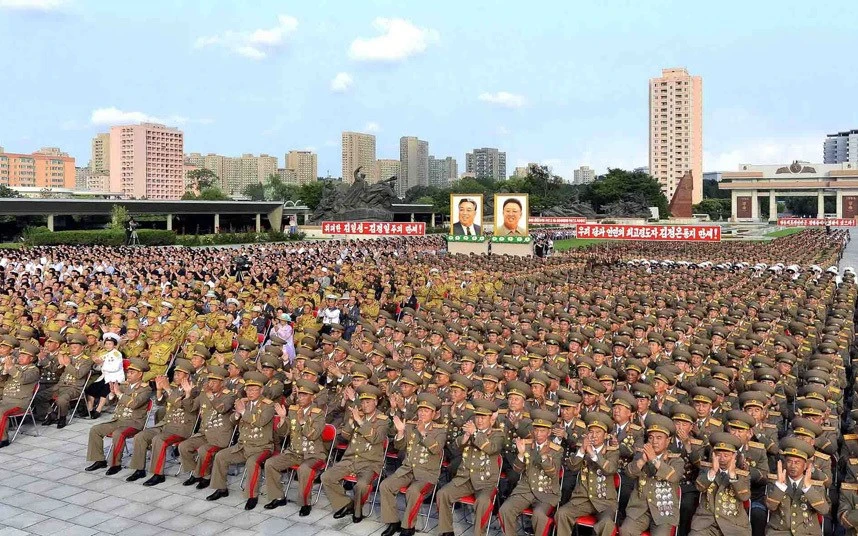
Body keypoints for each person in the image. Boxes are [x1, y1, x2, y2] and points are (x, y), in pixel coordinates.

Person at [206, 371, 275, 510]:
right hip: (243, 446)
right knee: (221, 456)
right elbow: (232, 421)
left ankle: (252, 496)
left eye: (254, 390)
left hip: (261, 447)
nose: (250, 393)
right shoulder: (244, 403)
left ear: (261, 390)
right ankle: (221, 488)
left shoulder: (268, 405)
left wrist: (243, 412)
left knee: (252, 463)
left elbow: (260, 422)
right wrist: (237, 413)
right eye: (248, 390)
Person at [379, 393, 447, 536]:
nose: (422, 413)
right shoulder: (411, 425)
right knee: (385, 485)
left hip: (427, 473)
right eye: (420, 410)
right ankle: (393, 521)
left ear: (434, 414)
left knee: (413, 491)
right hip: (408, 469)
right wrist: (400, 432)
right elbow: (399, 446)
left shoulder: (440, 430)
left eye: (426, 411)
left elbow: (436, 449)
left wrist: (423, 432)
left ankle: (408, 527)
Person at [435, 398, 503, 536]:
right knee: (442, 494)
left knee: (482, 502)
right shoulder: (470, 431)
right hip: (465, 478)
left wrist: (475, 434)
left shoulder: (498, 434)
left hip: (485, 481)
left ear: (491, 419)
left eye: (483, 417)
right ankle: (446, 531)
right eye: (477, 417)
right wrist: (465, 437)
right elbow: (454, 449)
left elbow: (491, 449)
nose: (479, 420)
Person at [321, 384, 388, 523]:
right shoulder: (358, 415)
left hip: (370, 462)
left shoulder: (383, 420)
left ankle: (358, 511)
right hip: (351, 458)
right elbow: (345, 436)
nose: (365, 405)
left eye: (368, 402)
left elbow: (376, 438)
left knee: (361, 485)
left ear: (376, 402)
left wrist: (360, 421)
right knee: (326, 477)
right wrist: (351, 421)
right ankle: (345, 504)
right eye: (362, 402)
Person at [126, 359, 198, 487]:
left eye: (178, 374)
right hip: (166, 424)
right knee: (140, 436)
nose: (175, 376)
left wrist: (168, 389)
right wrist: (159, 390)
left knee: (158, 440)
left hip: (181, 427)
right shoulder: (174, 387)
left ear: (187, 376)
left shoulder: (194, 390)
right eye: (175, 374)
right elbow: (160, 402)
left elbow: (183, 405)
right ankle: (139, 469)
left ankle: (158, 474)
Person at [263, 379, 326, 516]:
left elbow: (313, 435)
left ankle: (305, 503)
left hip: (313, 454)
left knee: (304, 469)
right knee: (270, 463)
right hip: (294, 452)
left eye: (304, 395)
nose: (300, 398)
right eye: (299, 394)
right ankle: (278, 497)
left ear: (312, 397)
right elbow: (283, 433)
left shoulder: (318, 414)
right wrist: (282, 418)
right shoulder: (293, 410)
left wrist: (302, 421)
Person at [499, 408, 564, 536]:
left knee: (539, 516)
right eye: (536, 430)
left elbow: (552, 474)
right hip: (525, 489)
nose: (538, 434)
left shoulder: (556, 450)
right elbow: (517, 470)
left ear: (549, 432)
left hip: (546, 492)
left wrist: (544, 457)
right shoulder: (527, 445)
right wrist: (521, 454)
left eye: (542, 431)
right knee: (505, 510)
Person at [84, 359, 153, 474]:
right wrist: (112, 393)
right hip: (119, 420)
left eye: (132, 373)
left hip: (134, 422)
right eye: (128, 372)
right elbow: (109, 402)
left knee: (118, 434)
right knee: (95, 429)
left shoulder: (146, 389)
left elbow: (135, 404)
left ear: (140, 374)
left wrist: (119, 394)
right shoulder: (125, 386)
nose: (128, 375)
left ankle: (115, 464)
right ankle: (99, 460)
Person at [555, 412, 619, 536]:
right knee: (562, 513)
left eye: (598, 432)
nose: (594, 435)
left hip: (604, 501)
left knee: (607, 523)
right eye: (591, 432)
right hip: (582, 499)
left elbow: (610, 469)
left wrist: (593, 454)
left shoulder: (612, 452)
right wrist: (581, 450)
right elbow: (572, 467)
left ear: (606, 435)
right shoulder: (583, 449)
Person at [619, 414, 684, 536]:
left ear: (668, 441)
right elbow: (628, 473)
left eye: (659, 438)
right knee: (625, 530)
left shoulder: (676, 460)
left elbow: (674, 476)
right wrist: (642, 461)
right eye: (651, 438)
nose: (654, 442)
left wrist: (654, 459)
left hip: (663, 511)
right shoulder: (641, 455)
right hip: (639, 509)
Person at [178, 366, 236, 490]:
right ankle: (197, 472)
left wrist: (210, 395)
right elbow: (191, 408)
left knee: (204, 450)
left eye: (214, 382)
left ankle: (206, 476)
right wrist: (188, 394)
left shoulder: (229, 396)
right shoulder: (204, 394)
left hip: (219, 436)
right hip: (204, 432)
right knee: (184, 446)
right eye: (209, 381)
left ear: (222, 383)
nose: (211, 384)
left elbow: (222, 409)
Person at [688, 432, 752, 535]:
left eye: (726, 455)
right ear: (713, 455)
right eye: (718, 455)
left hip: (733, 525)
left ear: (734, 456)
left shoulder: (742, 475)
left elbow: (744, 496)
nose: (722, 459)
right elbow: (699, 487)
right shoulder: (706, 470)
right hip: (706, 524)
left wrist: (732, 475)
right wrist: (713, 471)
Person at [765, 437, 829, 536]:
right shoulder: (775, 482)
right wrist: (780, 486)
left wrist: (808, 488)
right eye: (789, 461)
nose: (793, 466)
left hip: (807, 533)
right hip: (780, 532)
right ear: (784, 463)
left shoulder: (816, 486)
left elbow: (824, 510)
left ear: (805, 466)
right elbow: (770, 506)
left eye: (797, 462)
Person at [44, 333, 92, 429]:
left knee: (61, 399)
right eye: (71, 347)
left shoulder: (86, 360)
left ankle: (62, 418)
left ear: (82, 348)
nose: (72, 349)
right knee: (39, 397)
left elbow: (79, 375)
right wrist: (60, 365)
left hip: (74, 387)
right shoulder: (68, 357)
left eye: (75, 347)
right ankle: (51, 413)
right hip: (61, 385)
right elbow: (56, 372)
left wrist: (67, 365)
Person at [0, 341, 39, 447]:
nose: (20, 358)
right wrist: (4, 371)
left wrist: (11, 368)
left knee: (1, 411)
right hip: (6, 400)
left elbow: (22, 379)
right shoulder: (15, 367)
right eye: (20, 355)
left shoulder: (34, 371)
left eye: (24, 356)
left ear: (31, 359)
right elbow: (2, 380)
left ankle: (3, 439)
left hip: (20, 403)